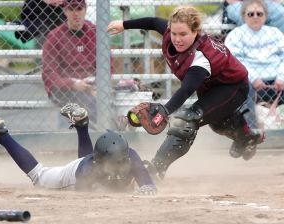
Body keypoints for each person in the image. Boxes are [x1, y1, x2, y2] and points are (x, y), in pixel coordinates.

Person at [107, 6, 265, 179]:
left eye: (183, 34)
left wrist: (165, 111)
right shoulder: (170, 32)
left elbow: (186, 90)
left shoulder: (200, 57)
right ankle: (247, 137)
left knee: (187, 119)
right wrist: (123, 24)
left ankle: (156, 168)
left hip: (232, 87)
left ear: (195, 32)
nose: (177, 39)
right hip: (210, 86)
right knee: (217, 123)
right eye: (174, 33)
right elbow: (152, 22)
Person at [0, 103, 157, 194]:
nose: (119, 166)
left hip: (90, 161)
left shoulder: (131, 155)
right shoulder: (86, 171)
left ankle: (81, 125)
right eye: (112, 164)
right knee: (40, 176)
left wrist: (146, 187)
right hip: (71, 174)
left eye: (120, 162)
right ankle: (2, 135)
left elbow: (149, 186)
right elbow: (86, 199)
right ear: (98, 161)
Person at [225, 0, 284, 129]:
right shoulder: (235, 35)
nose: (255, 16)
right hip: (250, 79)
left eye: (259, 13)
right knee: (242, 87)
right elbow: (236, 62)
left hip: (276, 77)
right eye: (251, 14)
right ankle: (251, 131)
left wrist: (281, 77)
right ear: (244, 15)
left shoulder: (275, 33)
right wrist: (253, 77)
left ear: (266, 15)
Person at [42, 0, 98, 122]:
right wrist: (73, 84)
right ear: (65, 11)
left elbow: (106, 65)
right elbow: (49, 74)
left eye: (79, 9)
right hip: (65, 88)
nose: (75, 14)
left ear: (85, 10)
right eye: (71, 9)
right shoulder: (54, 36)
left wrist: (99, 85)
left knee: (96, 99)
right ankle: (70, 137)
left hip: (91, 86)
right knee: (78, 101)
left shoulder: (95, 32)